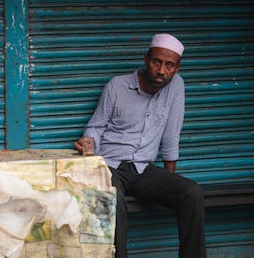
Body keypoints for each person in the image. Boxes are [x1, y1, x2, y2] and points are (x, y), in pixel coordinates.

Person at [74, 34, 206, 258]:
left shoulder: (176, 86)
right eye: (157, 62)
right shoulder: (117, 86)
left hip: (144, 169)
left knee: (192, 193)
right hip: (111, 166)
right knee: (112, 201)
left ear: (177, 68)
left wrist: (168, 183)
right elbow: (96, 126)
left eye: (169, 65)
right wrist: (89, 146)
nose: (161, 71)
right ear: (146, 60)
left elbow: (171, 135)